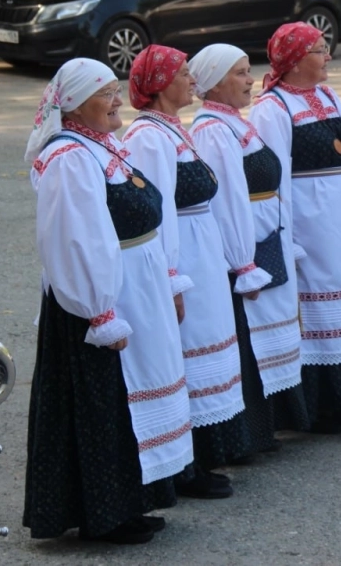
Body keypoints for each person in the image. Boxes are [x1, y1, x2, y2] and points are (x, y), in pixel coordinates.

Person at [23, 58, 192, 544]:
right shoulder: (70, 158)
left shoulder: (103, 146)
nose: (118, 100)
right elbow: (74, 241)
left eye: (117, 89)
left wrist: (165, 278)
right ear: (75, 105)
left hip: (134, 287)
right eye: (105, 93)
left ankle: (132, 502)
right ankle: (104, 514)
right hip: (97, 303)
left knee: (130, 401)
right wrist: (99, 311)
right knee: (104, 403)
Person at [124, 45, 254, 498]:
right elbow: (155, 213)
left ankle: (206, 451)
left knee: (207, 348)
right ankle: (184, 465)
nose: (192, 80)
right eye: (182, 73)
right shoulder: (148, 136)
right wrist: (170, 278)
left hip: (202, 251)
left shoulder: (173, 129)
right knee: (186, 352)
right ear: (160, 84)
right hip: (183, 255)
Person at [251, 23, 341, 434]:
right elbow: (274, 178)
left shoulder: (328, 96)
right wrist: (286, 235)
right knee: (317, 308)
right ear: (295, 61)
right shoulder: (272, 107)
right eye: (319, 50)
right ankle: (317, 405)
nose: (327, 56)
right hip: (310, 223)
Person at [188, 44, 310, 447]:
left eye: (247, 70)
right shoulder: (211, 130)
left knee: (268, 334)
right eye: (239, 73)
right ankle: (252, 430)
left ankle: (272, 421)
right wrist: (242, 263)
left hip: (264, 236)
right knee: (249, 336)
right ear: (214, 83)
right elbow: (225, 200)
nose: (250, 79)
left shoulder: (235, 123)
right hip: (244, 248)